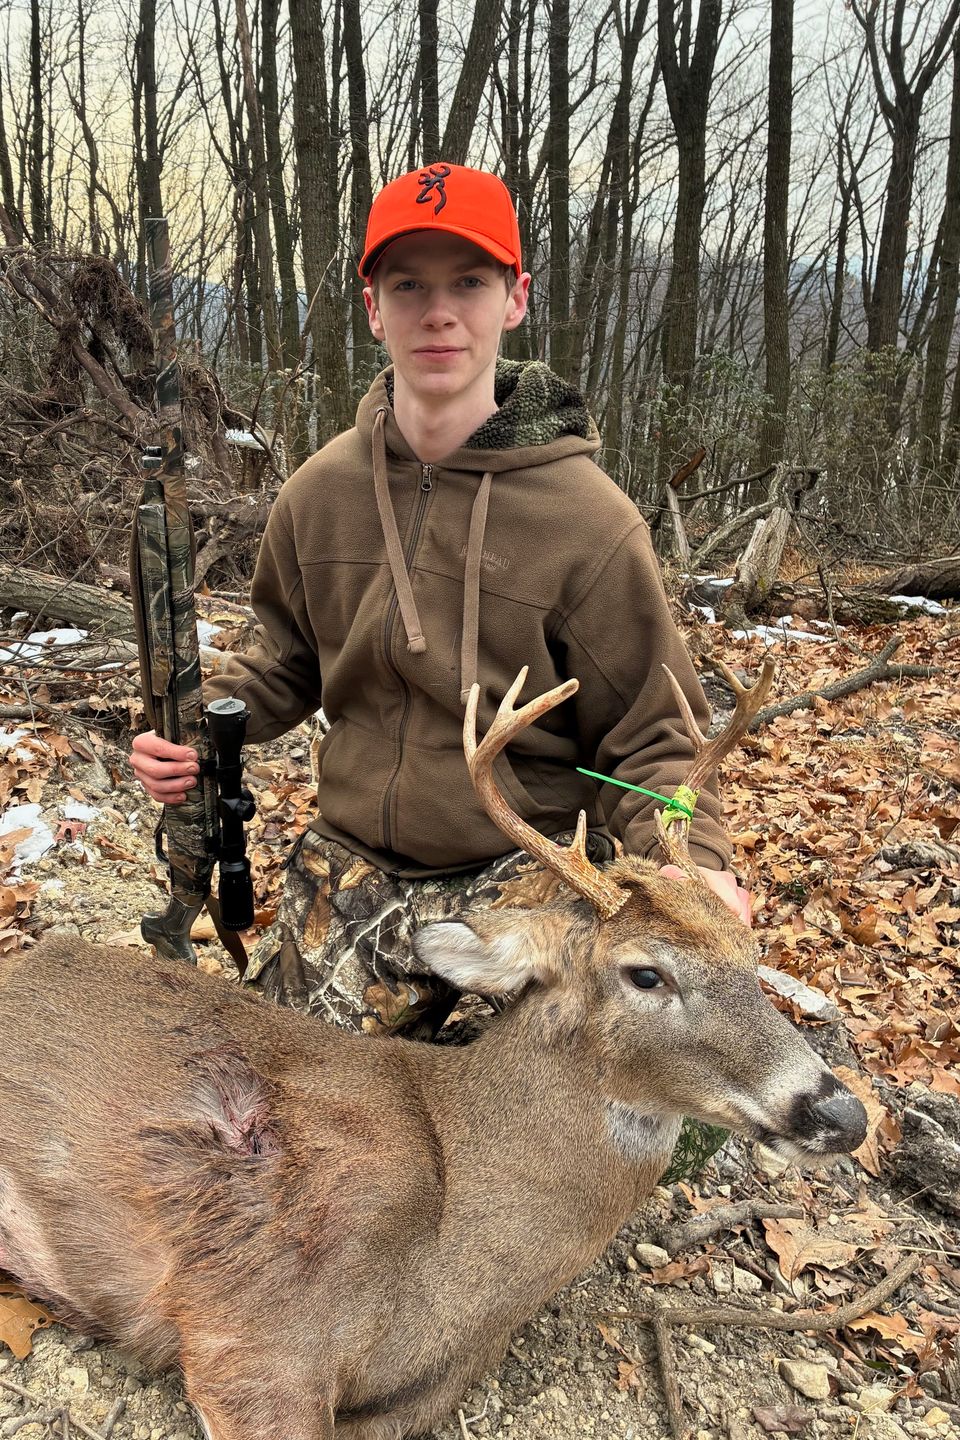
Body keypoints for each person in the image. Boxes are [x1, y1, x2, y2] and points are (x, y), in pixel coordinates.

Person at [131, 162, 750, 1056]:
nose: (439, 311)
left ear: (517, 298)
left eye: (469, 281)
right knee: (276, 1111)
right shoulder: (320, 492)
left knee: (552, 1118)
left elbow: (655, 742)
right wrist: (190, 732)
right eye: (407, 285)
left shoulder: (591, 523)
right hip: (354, 866)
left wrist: (696, 871)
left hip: (525, 874)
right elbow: (284, 659)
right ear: (374, 308)